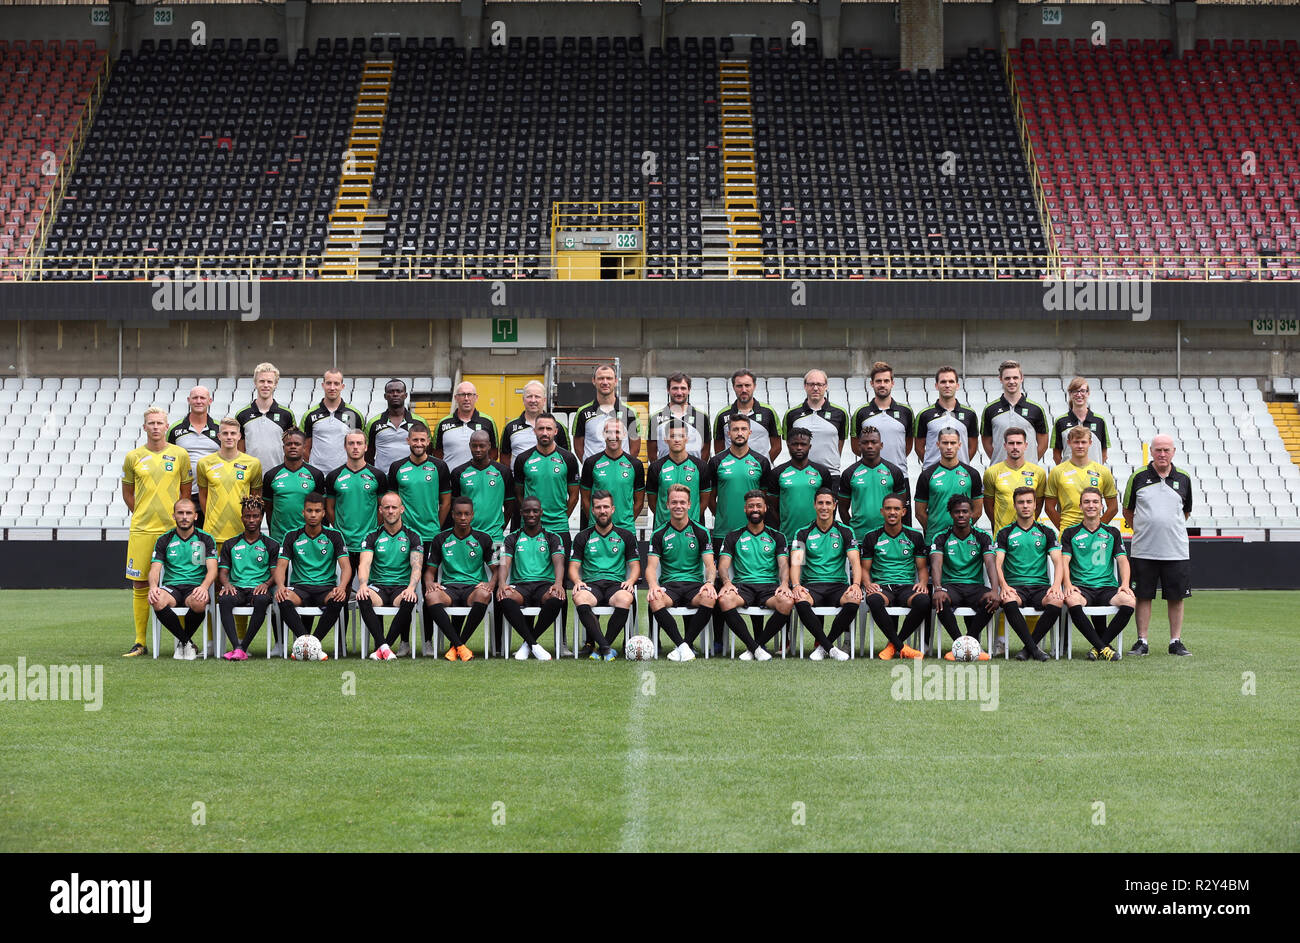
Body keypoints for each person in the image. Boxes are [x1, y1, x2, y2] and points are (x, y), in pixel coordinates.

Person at [121, 406, 193, 657]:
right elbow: (128, 493)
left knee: (181, 582)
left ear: (166, 426)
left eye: (159, 423)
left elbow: (186, 493)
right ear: (144, 427)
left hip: (171, 531)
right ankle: (140, 641)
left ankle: (185, 642)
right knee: (140, 584)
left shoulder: (180, 455)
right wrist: (141, 513)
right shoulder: (133, 457)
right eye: (150, 423)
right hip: (142, 529)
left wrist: (176, 520)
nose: (155, 427)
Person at [1122, 434, 1194, 657]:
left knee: (1176, 597)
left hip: (1176, 550)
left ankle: (1175, 641)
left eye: (1166, 450)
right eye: (1158, 450)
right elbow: (1127, 510)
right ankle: (1142, 641)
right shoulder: (1138, 477)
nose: (1162, 454)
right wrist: (1145, 530)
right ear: (1151, 451)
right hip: (1144, 549)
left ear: (1173, 452)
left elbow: (1186, 511)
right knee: (1143, 595)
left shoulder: (1183, 478)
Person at [716, 491, 795, 661]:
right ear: (745, 509)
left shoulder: (777, 536)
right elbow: (723, 564)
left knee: (787, 602)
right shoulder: (733, 536)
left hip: (768, 587)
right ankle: (756, 648)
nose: (755, 509)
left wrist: (784, 583)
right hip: (742, 586)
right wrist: (726, 582)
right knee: (724, 600)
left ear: (765, 508)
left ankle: (754, 647)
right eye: (751, 506)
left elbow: (783, 564)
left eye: (759, 505)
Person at [1061, 487, 1136, 661]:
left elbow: (1123, 560)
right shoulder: (1070, 533)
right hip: (1082, 588)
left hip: (1107, 588)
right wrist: (1069, 584)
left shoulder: (1112, 532)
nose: (1091, 505)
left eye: (1095, 502)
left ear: (1101, 506)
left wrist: (1124, 585)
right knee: (1071, 600)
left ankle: (1098, 647)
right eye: (1086, 502)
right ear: (1080, 506)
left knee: (1130, 601)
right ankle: (1104, 647)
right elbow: (1064, 561)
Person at [645, 484, 717, 661]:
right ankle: (684, 646)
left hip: (694, 586)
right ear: (667, 505)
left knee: (710, 597)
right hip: (670, 586)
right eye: (674, 502)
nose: (678, 506)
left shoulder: (701, 531)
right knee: (654, 599)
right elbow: (651, 567)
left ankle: (684, 644)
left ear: (689, 504)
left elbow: (709, 565)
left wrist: (709, 583)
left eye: (682, 502)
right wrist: (654, 586)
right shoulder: (659, 533)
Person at [790, 488, 862, 661]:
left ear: (835, 506)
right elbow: (796, 563)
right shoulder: (803, 532)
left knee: (854, 598)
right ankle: (830, 647)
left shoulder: (845, 531)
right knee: (800, 599)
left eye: (828, 503)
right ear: (814, 505)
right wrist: (796, 585)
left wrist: (856, 584)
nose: (824, 507)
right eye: (820, 503)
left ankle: (823, 646)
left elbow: (855, 562)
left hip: (837, 585)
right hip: (812, 586)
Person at [995, 487, 1065, 661]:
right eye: (1021, 502)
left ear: (1035, 505)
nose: (1025, 506)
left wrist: (1056, 585)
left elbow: (1059, 561)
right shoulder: (1005, 532)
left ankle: (1028, 648)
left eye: (1028, 502)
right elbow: (997, 563)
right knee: (1008, 600)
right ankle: (1034, 649)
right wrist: (1003, 586)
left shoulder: (1046, 531)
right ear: (1014, 505)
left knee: (1056, 600)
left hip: (1040, 587)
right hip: (1015, 587)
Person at [274, 492, 351, 650]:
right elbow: (281, 566)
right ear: (303, 512)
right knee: (282, 598)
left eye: (317, 511)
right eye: (309, 511)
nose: (313, 515)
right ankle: (306, 641)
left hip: (325, 588)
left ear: (323, 513)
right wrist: (281, 586)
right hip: (300, 588)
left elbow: (346, 567)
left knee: (338, 598)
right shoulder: (291, 536)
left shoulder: (334, 535)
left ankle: (313, 642)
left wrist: (342, 587)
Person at [570, 490, 640, 660]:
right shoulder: (582, 537)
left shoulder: (626, 536)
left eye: (606, 507)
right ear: (592, 510)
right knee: (580, 598)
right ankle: (606, 647)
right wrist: (577, 580)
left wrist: (631, 580)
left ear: (613, 509)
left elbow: (635, 565)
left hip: (616, 584)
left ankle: (602, 647)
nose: (602, 511)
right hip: (591, 584)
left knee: (625, 599)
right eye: (598, 507)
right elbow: (573, 566)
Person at [424, 496, 496, 661]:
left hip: (473, 588)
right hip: (449, 588)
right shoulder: (440, 538)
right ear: (452, 515)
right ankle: (460, 646)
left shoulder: (485, 538)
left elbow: (498, 568)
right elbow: (429, 570)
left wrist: (490, 583)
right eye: (459, 514)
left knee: (485, 595)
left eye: (466, 514)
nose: (463, 518)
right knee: (431, 596)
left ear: (472, 515)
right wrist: (430, 583)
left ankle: (456, 645)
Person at [356, 491, 423, 662]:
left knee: (410, 598)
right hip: (378, 587)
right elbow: (364, 563)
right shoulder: (372, 535)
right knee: (363, 596)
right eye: (387, 508)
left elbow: (417, 565)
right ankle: (385, 647)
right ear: (380, 510)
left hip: (401, 588)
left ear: (402, 509)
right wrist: (363, 584)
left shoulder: (413, 535)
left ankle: (382, 648)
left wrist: (411, 588)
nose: (391, 511)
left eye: (394, 507)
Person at [928, 494, 998, 660]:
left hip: (975, 586)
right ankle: (960, 644)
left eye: (965, 511)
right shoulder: (941, 536)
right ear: (951, 514)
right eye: (957, 512)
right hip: (951, 586)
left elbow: (990, 564)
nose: (961, 515)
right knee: (939, 600)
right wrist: (937, 588)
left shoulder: (982, 536)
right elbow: (936, 564)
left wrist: (995, 590)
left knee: (992, 600)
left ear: (972, 513)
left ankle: (968, 643)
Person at [496, 496, 566, 661]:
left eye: (535, 510)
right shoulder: (511, 537)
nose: (531, 514)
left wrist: (558, 583)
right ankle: (534, 645)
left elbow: (559, 563)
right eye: (527, 511)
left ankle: (527, 644)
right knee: (504, 596)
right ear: (521, 513)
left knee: (557, 597)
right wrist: (501, 584)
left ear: (541, 512)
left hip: (544, 586)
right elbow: (504, 563)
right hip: (521, 586)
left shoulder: (553, 536)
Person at [147, 497, 218, 660]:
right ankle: (187, 642)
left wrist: (204, 587)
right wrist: (153, 586)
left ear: (196, 516)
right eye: (180, 513)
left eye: (188, 513)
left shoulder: (206, 539)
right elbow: (154, 569)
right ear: (174, 516)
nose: (184, 517)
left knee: (200, 602)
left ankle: (183, 644)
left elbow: (212, 570)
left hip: (195, 586)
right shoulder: (164, 539)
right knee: (156, 599)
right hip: (172, 587)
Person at [861, 494, 929, 660]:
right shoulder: (871, 536)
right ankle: (901, 646)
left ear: (904, 512)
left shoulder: (915, 536)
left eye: (896, 509)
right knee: (874, 600)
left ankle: (893, 645)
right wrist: (868, 583)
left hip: (907, 586)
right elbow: (864, 569)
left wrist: (923, 583)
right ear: (882, 511)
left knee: (924, 601)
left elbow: (922, 568)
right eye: (888, 509)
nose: (892, 512)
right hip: (883, 586)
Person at [513, 410, 581, 570]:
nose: (545, 432)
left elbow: (574, 495)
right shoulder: (523, 459)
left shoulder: (568, 458)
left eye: (549, 429)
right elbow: (519, 493)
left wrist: (562, 516)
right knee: (529, 574)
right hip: (530, 527)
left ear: (556, 431)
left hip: (559, 527)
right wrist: (530, 516)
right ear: (534, 431)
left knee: (560, 578)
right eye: (541, 428)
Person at [217, 496, 279, 660]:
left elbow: (276, 573)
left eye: (255, 516)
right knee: (224, 600)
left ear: (262, 517)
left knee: (261, 600)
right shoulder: (230, 544)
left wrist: (266, 584)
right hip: (237, 588)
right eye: (247, 516)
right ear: (242, 517)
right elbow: (222, 571)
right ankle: (237, 647)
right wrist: (226, 584)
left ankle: (241, 647)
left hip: (258, 589)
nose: (251, 520)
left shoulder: (271, 545)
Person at [324, 430, 387, 590]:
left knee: (371, 590)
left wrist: (373, 531)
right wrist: (339, 529)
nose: (355, 447)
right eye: (351, 443)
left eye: (359, 443)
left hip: (369, 543)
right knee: (342, 591)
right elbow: (329, 508)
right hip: (344, 542)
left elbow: (382, 509)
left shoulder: (377, 475)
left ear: (366, 447)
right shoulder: (334, 476)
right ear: (345, 447)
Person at [197, 417, 263, 552]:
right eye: (225, 433)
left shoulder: (253, 463)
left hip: (241, 532)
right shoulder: (204, 463)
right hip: (213, 533)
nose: (229, 437)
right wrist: (211, 517)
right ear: (219, 436)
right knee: (212, 573)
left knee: (239, 573)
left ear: (239, 436)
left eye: (233, 433)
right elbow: (203, 495)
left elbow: (256, 497)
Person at [838, 425, 909, 540]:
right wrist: (852, 531)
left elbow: (901, 506)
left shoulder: (894, 471)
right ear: (859, 446)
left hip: (888, 537)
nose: (870, 446)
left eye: (874, 442)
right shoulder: (849, 473)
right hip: (860, 537)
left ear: (881, 445)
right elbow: (842, 508)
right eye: (865, 442)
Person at [914, 428, 984, 546]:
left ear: (959, 445)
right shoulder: (927, 475)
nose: (949, 447)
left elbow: (977, 512)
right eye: (945, 443)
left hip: (964, 541)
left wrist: (963, 529)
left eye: (953, 443)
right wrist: (935, 529)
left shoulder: (972, 474)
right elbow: (919, 513)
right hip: (934, 540)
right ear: (938, 445)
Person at [387, 421, 451, 547]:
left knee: (429, 568)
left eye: (422, 440)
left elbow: (446, 502)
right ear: (408, 441)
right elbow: (392, 502)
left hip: (430, 534)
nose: (419, 444)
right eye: (415, 440)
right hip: (404, 534)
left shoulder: (440, 466)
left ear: (428, 441)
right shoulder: (396, 467)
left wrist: (436, 525)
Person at [768, 427, 835, 542]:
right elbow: (772, 507)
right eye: (795, 444)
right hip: (788, 537)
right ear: (788, 445)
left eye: (803, 444)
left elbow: (829, 505)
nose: (799, 448)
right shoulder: (777, 473)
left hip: (818, 538)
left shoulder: (822, 472)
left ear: (809, 446)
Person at [450, 429, 515, 546]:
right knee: (469, 565)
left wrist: (500, 527)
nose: (478, 450)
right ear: (469, 446)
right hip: (467, 536)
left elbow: (510, 505)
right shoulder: (458, 473)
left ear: (489, 445)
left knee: (500, 564)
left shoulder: (503, 472)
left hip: (496, 537)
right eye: (474, 446)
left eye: (482, 446)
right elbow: (454, 506)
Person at [1045, 426, 1117, 531]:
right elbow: (1049, 508)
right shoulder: (1057, 471)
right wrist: (1064, 529)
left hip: (1094, 535)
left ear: (1090, 443)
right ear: (1069, 443)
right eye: (1076, 442)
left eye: (1083, 442)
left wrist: (1097, 528)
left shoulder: (1103, 471)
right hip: (1067, 532)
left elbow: (1113, 507)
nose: (1080, 446)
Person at [579, 417, 645, 532]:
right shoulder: (591, 463)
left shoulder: (635, 464)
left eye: (617, 432)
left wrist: (626, 521)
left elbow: (639, 501)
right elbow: (585, 498)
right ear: (603, 435)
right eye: (609, 432)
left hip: (626, 529)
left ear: (624, 434)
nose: (613, 436)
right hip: (597, 529)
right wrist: (597, 521)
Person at [167, 384, 220, 523]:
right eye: (195, 397)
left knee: (208, 540)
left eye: (203, 398)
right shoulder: (175, 430)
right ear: (188, 400)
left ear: (210, 401)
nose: (198, 401)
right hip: (184, 495)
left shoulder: (220, 429)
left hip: (212, 494)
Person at [980, 360, 1049, 464]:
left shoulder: (1036, 409)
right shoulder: (990, 409)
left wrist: (1029, 462)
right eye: (1007, 378)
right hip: (1000, 472)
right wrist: (1001, 462)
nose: (1011, 381)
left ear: (1021, 378)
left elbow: (1043, 444)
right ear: (1000, 379)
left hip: (1028, 474)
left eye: (1015, 377)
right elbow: (986, 443)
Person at [783, 368, 849, 477]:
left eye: (819, 384)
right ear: (805, 386)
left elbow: (839, 443)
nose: (815, 388)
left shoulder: (840, 413)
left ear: (826, 386)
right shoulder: (791, 414)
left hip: (831, 474)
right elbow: (790, 443)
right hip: (800, 473)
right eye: (811, 384)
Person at [301, 369, 366, 476]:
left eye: (336, 383)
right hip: (317, 476)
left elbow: (360, 447)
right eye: (328, 383)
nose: (332, 387)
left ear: (342, 386)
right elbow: (305, 448)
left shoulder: (354, 415)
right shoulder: (310, 415)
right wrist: (315, 469)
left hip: (346, 475)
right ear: (323, 385)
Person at [982, 427, 1047, 534]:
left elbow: (1038, 504)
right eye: (1011, 443)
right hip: (1002, 535)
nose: (1015, 447)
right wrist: (999, 525)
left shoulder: (1038, 472)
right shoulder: (992, 472)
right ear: (1005, 446)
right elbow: (988, 505)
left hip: (1029, 535)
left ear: (1025, 445)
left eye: (1019, 443)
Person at [572, 362, 641, 462]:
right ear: (593, 381)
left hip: (621, 471)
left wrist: (625, 466)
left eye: (609, 378)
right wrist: (590, 466)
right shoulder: (582, 412)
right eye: (600, 378)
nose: (605, 382)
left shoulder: (630, 412)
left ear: (616, 381)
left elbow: (635, 448)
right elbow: (578, 447)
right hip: (593, 473)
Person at [235, 362, 295, 475]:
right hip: (250, 475)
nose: (265, 385)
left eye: (269, 381)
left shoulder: (286, 414)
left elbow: (291, 447)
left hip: (279, 475)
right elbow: (240, 450)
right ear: (255, 383)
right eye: (262, 381)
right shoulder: (242, 415)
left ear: (275, 384)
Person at [646, 420, 710, 526]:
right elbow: (653, 502)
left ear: (687, 439)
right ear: (666, 440)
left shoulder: (701, 466)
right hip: (663, 529)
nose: (676, 440)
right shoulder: (655, 467)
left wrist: (690, 519)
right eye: (672, 436)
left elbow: (704, 501)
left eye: (680, 436)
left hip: (692, 529)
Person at [851, 361, 914, 468]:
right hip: (870, 474)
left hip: (900, 475)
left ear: (892, 383)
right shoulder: (861, 413)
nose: (882, 385)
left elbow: (907, 446)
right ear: (872, 383)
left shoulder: (906, 411)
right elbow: (856, 447)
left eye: (886, 381)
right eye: (878, 381)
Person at [914, 366, 979, 468]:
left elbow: (972, 447)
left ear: (957, 385)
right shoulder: (924, 414)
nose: (947, 385)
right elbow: (919, 447)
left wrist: (958, 465)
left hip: (960, 473)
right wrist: (932, 467)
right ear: (936, 385)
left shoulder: (969, 414)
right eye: (943, 382)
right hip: (932, 474)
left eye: (951, 382)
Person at [712, 368, 782, 460]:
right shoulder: (722, 415)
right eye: (739, 386)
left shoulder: (768, 412)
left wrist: (763, 464)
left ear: (754, 386)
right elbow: (719, 449)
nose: (744, 390)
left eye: (747, 385)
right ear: (733, 387)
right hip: (732, 471)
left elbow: (777, 446)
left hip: (761, 471)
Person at [435, 380, 499, 471]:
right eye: (462, 395)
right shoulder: (443, 423)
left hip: (479, 480)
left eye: (469, 394)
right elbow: (437, 453)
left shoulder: (488, 422)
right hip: (450, 481)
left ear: (476, 397)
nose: (466, 398)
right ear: (456, 398)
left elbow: (494, 453)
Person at [648, 372, 710, 462]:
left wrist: (698, 468)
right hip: (666, 473)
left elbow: (706, 449)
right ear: (668, 390)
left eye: (683, 388)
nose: (679, 392)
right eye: (675, 388)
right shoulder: (655, 418)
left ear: (689, 390)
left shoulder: (702, 417)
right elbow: (652, 453)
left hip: (693, 473)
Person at [501, 380, 571, 458]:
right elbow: (504, 458)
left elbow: (567, 457)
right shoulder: (510, 427)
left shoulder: (558, 426)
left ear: (544, 400)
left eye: (537, 396)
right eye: (529, 396)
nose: (533, 400)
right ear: (523, 400)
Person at [1052, 376, 1110, 466]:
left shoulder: (1099, 421)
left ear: (1088, 393)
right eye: (1075, 391)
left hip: (1093, 476)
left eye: (1082, 391)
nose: (1079, 394)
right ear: (1070, 394)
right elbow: (1056, 454)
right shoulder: (1060, 421)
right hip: (1069, 476)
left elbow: (1104, 454)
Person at [366, 378, 420, 473]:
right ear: (385, 396)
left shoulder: (419, 422)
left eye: (399, 391)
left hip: (412, 477)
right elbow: (368, 454)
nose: (395, 394)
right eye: (391, 392)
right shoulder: (373, 423)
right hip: (383, 479)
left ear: (405, 395)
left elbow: (427, 451)